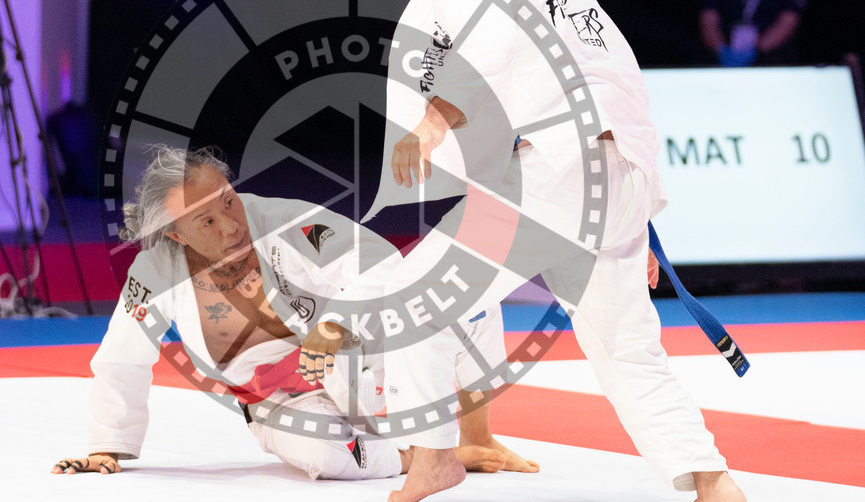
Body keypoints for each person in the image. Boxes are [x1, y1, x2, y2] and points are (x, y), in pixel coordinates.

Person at [367, 0, 748, 502]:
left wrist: (433, 121)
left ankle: (432, 453)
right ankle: (711, 482)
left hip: (558, 172)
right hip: (616, 173)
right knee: (627, 350)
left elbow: (490, 47)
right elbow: (621, 82)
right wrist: (636, 218)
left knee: (414, 294)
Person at [52, 145, 536, 480]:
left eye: (228, 201)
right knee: (323, 454)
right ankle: (416, 457)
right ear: (176, 234)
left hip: (348, 353)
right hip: (278, 398)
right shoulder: (156, 272)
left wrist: (337, 321)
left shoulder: (281, 219)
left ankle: (479, 435)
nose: (230, 225)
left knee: (464, 299)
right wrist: (107, 447)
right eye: (207, 220)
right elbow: (122, 357)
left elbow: (378, 260)